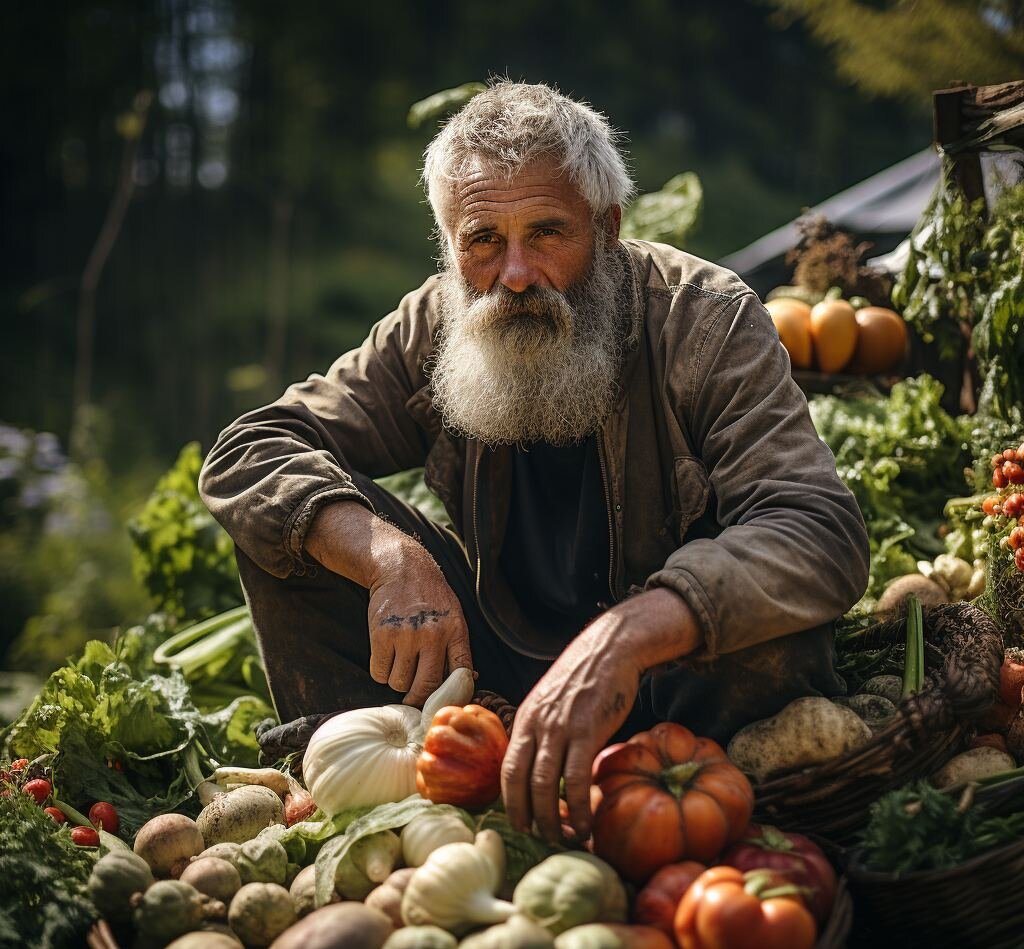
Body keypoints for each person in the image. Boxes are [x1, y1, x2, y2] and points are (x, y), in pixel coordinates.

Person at [199, 81, 869, 843]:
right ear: (450, 244)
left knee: (770, 631)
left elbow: (818, 530)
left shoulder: (705, 320)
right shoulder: (435, 321)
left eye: (547, 233)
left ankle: (716, 814)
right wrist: (390, 557)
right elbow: (250, 451)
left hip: (673, 687)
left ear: (608, 228)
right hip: (496, 678)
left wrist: (626, 637)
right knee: (297, 522)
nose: (515, 274)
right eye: (483, 240)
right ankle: (373, 806)